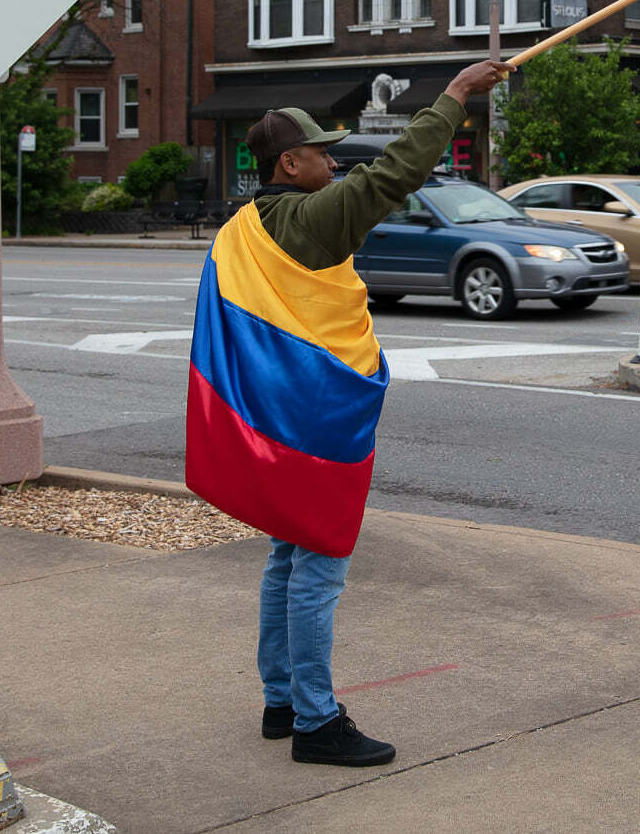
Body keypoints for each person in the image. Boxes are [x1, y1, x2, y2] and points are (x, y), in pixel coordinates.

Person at [184, 58, 510, 768]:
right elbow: (391, 176)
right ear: (290, 162)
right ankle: (316, 720)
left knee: (284, 557)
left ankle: (280, 700)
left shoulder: (244, 224)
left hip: (276, 423)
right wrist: (453, 97)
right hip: (316, 426)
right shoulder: (310, 218)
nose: (334, 160)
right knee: (320, 566)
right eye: (324, 151)